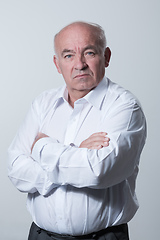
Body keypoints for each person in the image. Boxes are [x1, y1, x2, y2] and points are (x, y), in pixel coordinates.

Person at [8, 21, 147, 240]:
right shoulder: (42, 104)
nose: (79, 64)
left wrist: (43, 148)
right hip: (41, 235)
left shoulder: (125, 106)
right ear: (57, 63)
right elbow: (16, 170)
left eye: (89, 53)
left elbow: (99, 171)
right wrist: (77, 152)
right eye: (68, 55)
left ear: (107, 56)